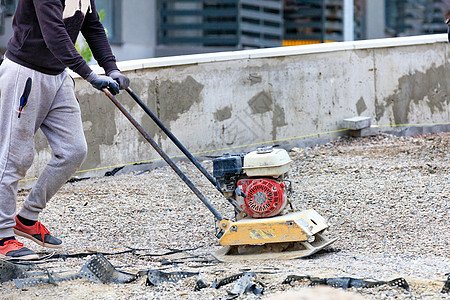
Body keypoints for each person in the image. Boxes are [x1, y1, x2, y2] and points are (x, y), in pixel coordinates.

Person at [0, 0, 129, 260]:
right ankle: (2, 236)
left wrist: (112, 68)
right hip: (25, 72)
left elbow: (93, 27)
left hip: (57, 76)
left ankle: (26, 218)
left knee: (73, 151)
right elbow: (54, 34)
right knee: (14, 157)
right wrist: (90, 75)